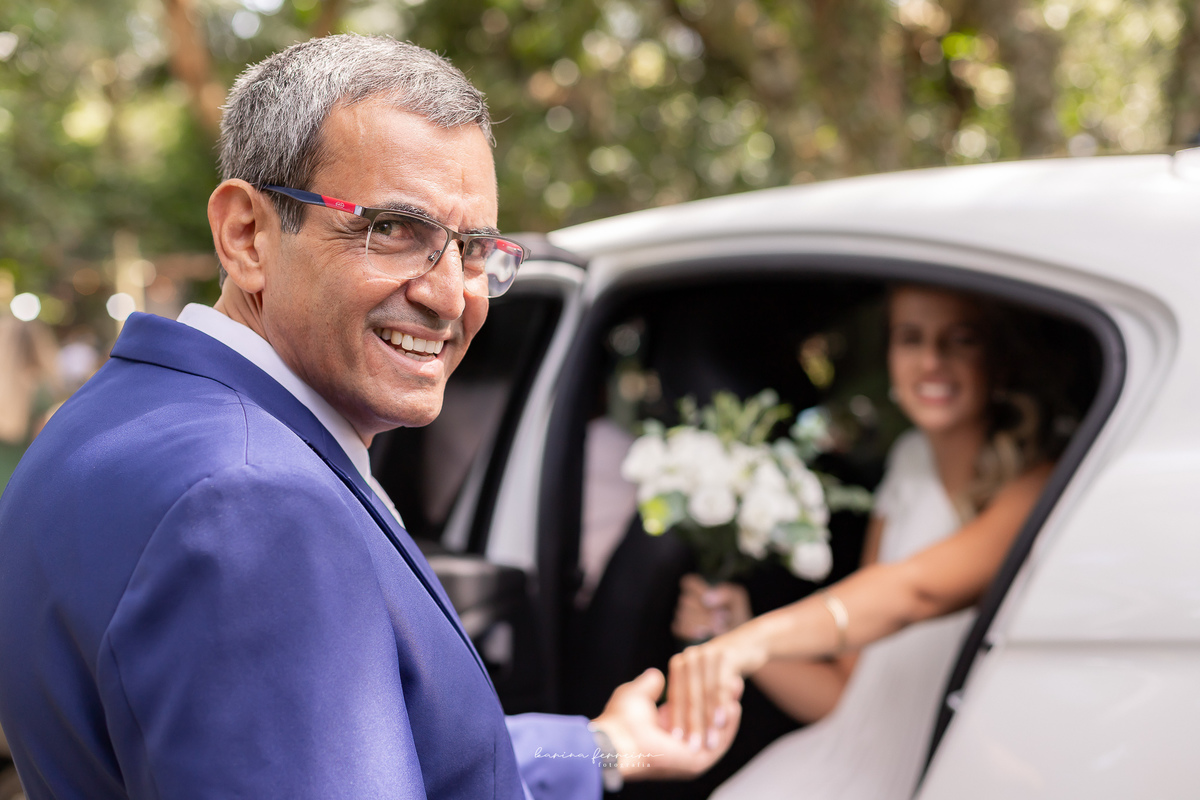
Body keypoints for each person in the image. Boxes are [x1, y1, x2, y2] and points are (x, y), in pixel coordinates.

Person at [0, 35, 738, 799]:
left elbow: (388, 755)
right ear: (246, 235)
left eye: (473, 247)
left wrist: (604, 749)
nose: (449, 296)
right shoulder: (255, 503)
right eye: (392, 229)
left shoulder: (102, 421)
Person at [666, 284, 1058, 799]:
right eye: (910, 338)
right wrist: (734, 633)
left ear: (1000, 359)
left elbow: (912, 591)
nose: (932, 361)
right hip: (850, 760)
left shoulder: (1035, 485)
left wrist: (756, 639)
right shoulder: (910, 462)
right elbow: (845, 697)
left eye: (961, 339)